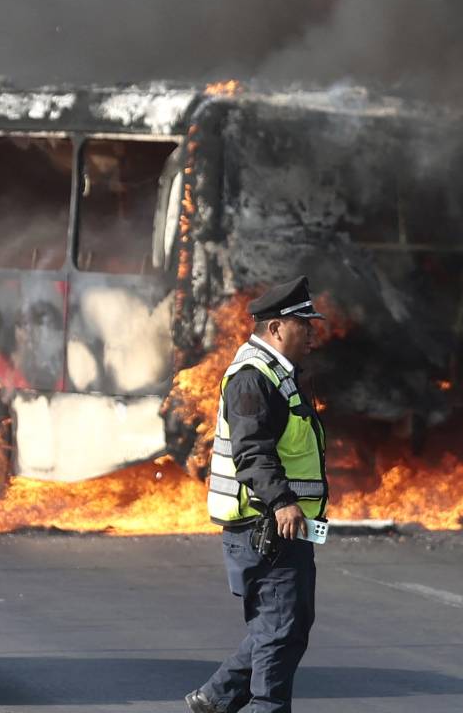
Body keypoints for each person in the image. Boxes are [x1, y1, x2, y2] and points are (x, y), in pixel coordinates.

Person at [188, 276, 330, 713]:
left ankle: (216, 698)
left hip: (286, 529)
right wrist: (283, 501)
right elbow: (252, 453)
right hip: (264, 528)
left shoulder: (279, 375)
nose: (311, 332)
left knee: (287, 624)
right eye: (303, 324)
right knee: (279, 632)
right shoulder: (252, 379)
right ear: (275, 329)